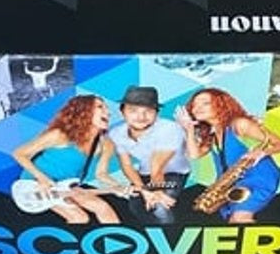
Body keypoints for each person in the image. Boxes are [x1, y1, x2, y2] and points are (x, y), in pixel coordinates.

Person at [177, 88, 280, 224]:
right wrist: (189, 129)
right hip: (232, 183)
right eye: (194, 105)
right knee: (233, 221)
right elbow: (194, 155)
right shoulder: (212, 135)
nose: (197, 108)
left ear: (221, 104)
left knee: (240, 218)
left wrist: (262, 152)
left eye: (205, 103)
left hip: (258, 177)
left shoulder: (239, 124)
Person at [12, 95, 124, 225]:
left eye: (107, 108)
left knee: (102, 208)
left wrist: (119, 187)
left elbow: (101, 174)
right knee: (80, 218)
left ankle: (116, 237)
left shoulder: (106, 144)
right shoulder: (60, 135)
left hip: (66, 186)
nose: (108, 112)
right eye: (100, 107)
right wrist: (42, 178)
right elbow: (19, 153)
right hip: (36, 185)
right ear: (83, 111)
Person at [107, 85, 190, 225]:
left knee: (159, 205)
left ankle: (169, 232)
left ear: (157, 113)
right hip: (145, 172)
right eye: (133, 111)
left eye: (148, 111)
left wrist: (156, 191)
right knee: (135, 205)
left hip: (174, 172)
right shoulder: (116, 133)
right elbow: (127, 165)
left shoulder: (170, 129)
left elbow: (157, 166)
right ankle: (152, 232)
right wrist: (144, 190)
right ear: (122, 112)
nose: (141, 117)